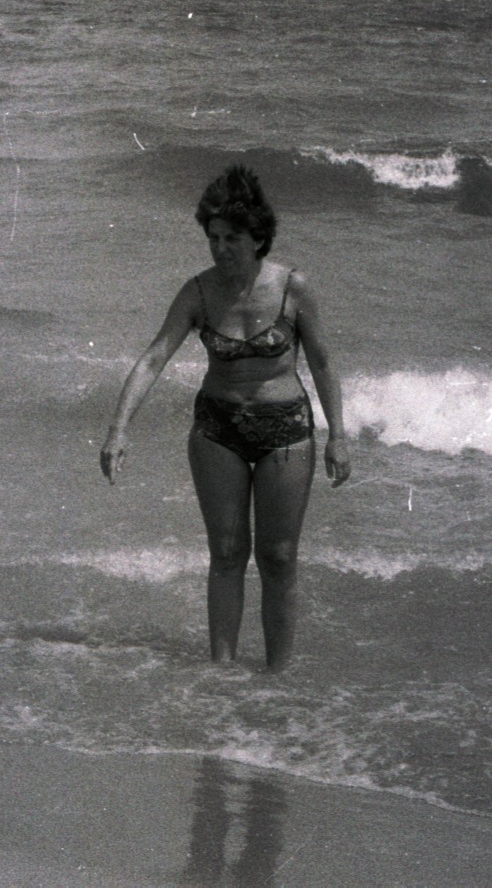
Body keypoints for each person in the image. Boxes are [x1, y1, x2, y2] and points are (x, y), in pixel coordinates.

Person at [101, 165, 350, 670]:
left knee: (279, 558)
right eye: (212, 237)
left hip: (287, 432)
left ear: (258, 236)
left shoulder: (293, 288)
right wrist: (118, 429)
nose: (219, 248)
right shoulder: (197, 293)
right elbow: (154, 357)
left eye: (231, 237)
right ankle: (222, 675)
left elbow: (322, 362)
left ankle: (277, 676)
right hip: (218, 430)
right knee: (228, 553)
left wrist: (338, 436)